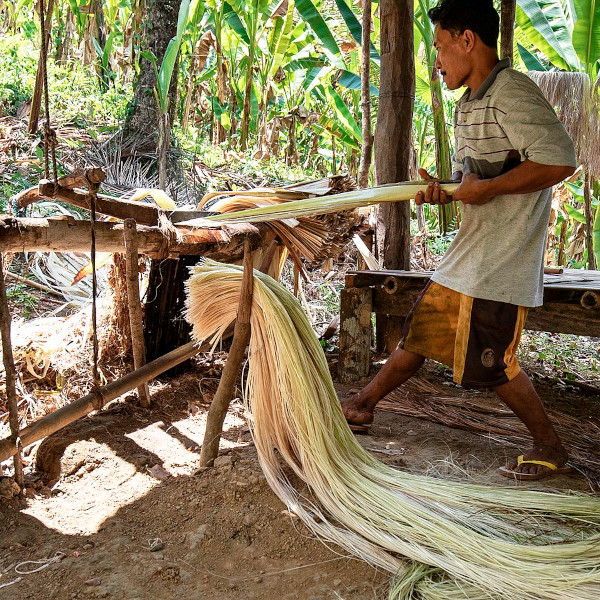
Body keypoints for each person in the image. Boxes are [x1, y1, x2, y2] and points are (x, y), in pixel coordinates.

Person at [341, 0, 577, 481]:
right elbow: (478, 178)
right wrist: (444, 190)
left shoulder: (512, 92)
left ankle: (550, 447)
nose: (437, 60)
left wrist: (485, 188)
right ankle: (363, 405)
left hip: (500, 261)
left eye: (441, 46)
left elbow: (559, 162)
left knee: (493, 362)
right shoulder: (472, 102)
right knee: (422, 330)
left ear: (468, 40)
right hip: (470, 254)